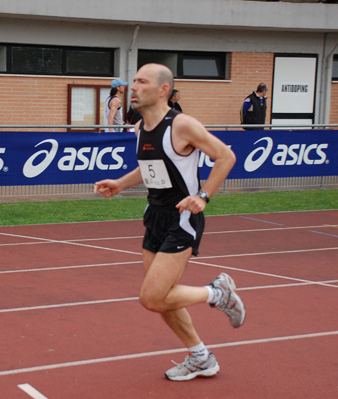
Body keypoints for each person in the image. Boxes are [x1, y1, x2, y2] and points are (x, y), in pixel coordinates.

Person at [94, 63, 244, 382]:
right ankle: (201, 357)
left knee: (151, 297)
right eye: (133, 81)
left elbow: (226, 156)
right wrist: (121, 183)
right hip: (156, 215)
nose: (133, 87)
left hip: (183, 217)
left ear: (162, 89)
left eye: (141, 82)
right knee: (162, 299)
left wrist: (202, 196)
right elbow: (151, 169)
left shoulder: (182, 125)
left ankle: (217, 292)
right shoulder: (139, 128)